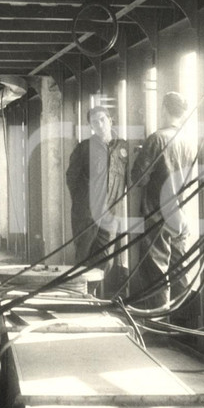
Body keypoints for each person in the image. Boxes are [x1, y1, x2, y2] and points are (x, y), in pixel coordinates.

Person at [130, 91, 196, 308]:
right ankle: (182, 320)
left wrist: (140, 156)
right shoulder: (188, 141)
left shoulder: (157, 139)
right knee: (179, 269)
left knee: (156, 272)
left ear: (164, 109)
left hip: (156, 214)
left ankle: (158, 320)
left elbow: (138, 178)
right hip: (180, 215)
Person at [65, 105, 129, 297]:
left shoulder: (122, 147)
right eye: (94, 122)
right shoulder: (84, 148)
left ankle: (91, 293)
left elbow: (127, 178)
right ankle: (80, 296)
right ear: (90, 126)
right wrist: (84, 202)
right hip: (86, 214)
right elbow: (71, 178)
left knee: (106, 259)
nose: (99, 125)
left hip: (110, 215)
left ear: (110, 120)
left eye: (102, 120)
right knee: (84, 256)